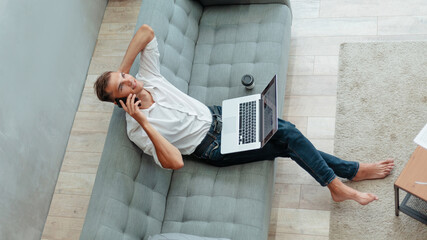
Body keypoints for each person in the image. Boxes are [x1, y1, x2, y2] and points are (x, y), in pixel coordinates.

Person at [94, 24, 395, 205]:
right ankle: (339, 182)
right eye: (123, 86)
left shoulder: (149, 78)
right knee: (286, 135)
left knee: (285, 136)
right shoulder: (136, 131)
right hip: (212, 147)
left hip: (222, 115)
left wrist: (121, 72)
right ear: (121, 101)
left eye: (124, 76)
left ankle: (350, 174)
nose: (129, 80)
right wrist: (145, 122)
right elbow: (174, 162)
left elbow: (146, 32)